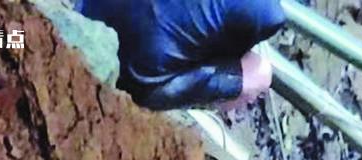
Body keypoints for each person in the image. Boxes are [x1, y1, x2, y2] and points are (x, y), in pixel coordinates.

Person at [82, 0, 285, 111]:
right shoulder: (268, 13)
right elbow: (223, 56)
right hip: (131, 77)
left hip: (88, 10)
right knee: (260, 73)